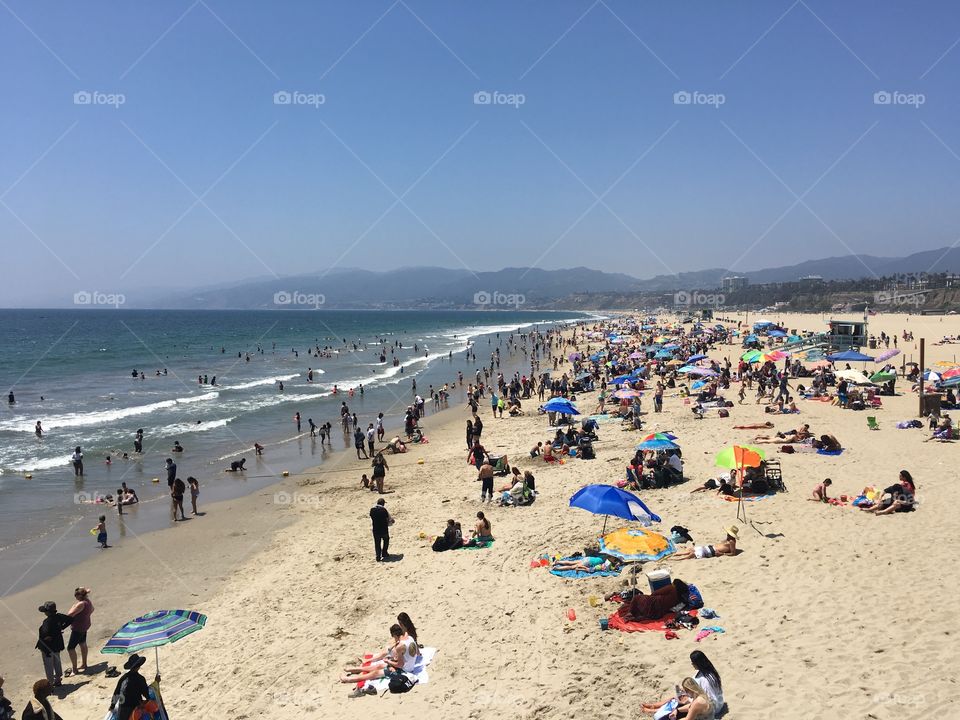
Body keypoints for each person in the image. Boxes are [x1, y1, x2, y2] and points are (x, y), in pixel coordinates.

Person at [641, 650, 723, 719]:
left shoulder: (706, 679)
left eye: (692, 662)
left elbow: (708, 698)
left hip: (711, 706)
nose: (692, 664)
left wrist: (688, 699)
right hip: (698, 697)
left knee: (676, 701)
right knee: (675, 697)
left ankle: (654, 710)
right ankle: (654, 706)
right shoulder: (705, 671)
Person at [339, 624, 413, 686]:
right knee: (379, 666)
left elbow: (400, 665)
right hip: (409, 665)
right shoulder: (409, 638)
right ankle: (358, 669)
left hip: (404, 670)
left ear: (394, 635)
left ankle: (349, 679)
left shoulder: (400, 646)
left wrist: (388, 661)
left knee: (376, 673)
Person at [35, 602, 71, 686]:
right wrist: (61, 627)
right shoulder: (59, 617)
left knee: (48, 665)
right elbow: (70, 619)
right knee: (57, 662)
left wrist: (48, 636)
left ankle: (50, 684)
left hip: (47, 648)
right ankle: (58, 680)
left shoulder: (47, 622)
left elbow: (44, 633)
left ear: (47, 612)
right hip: (57, 644)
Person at [110, 654, 154, 720]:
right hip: (134, 708)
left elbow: (117, 692)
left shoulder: (123, 677)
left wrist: (112, 705)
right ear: (139, 666)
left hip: (122, 709)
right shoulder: (140, 678)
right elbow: (146, 694)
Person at [621, 579, 689, 622]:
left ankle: (630, 613)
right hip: (658, 613)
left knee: (636, 598)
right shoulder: (679, 599)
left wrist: (649, 598)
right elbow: (672, 609)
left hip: (654, 604)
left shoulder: (671, 588)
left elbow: (654, 593)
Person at [65, 587, 93, 676]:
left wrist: (73, 606)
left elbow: (69, 615)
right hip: (85, 625)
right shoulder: (88, 601)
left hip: (78, 628)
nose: (75, 597)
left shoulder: (80, 604)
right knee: (82, 643)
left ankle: (74, 669)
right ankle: (84, 664)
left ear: (79, 596)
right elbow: (92, 609)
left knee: (70, 648)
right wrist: (85, 615)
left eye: (76, 595)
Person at [670, 526, 739, 560]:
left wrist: (722, 554)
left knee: (691, 554)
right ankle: (672, 555)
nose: (727, 533)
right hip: (708, 548)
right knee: (690, 550)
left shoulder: (732, 541)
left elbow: (733, 553)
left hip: (711, 552)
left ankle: (676, 560)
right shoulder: (728, 538)